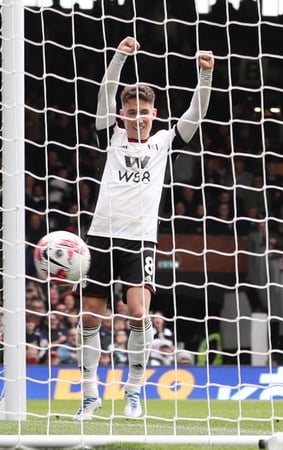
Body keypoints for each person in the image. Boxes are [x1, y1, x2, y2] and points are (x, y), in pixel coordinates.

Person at [74, 36, 214, 421]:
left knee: (138, 313)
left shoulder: (165, 143)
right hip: (101, 235)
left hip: (140, 240)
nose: (138, 116)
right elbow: (104, 92)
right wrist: (119, 57)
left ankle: (133, 390)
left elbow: (196, 114)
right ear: (122, 113)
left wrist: (206, 76)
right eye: (131, 110)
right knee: (89, 317)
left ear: (155, 113)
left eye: (145, 111)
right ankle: (89, 396)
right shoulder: (111, 137)